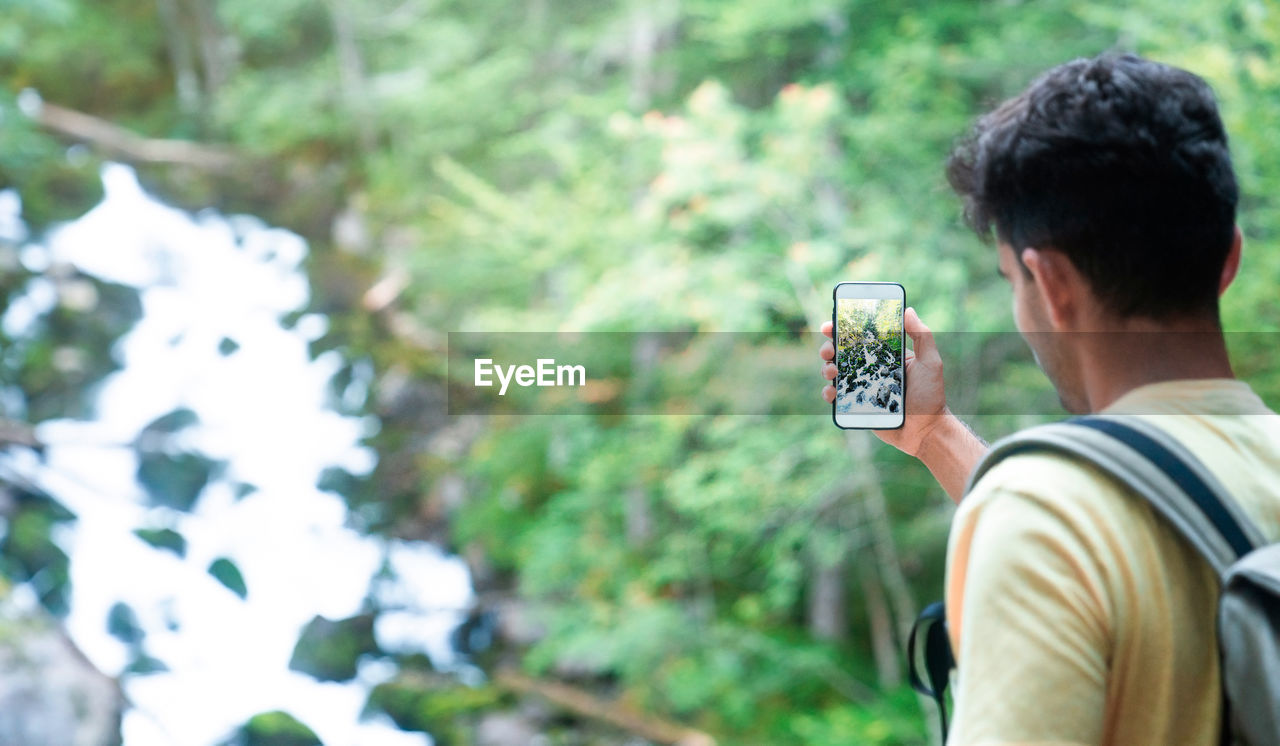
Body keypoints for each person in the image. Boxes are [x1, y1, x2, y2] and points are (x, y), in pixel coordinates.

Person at [818, 52, 1280, 745]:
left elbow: (1081, 526)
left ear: (1053, 285)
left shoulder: (1038, 517)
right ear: (1229, 259)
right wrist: (934, 435)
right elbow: (1141, 503)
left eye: (1013, 278)